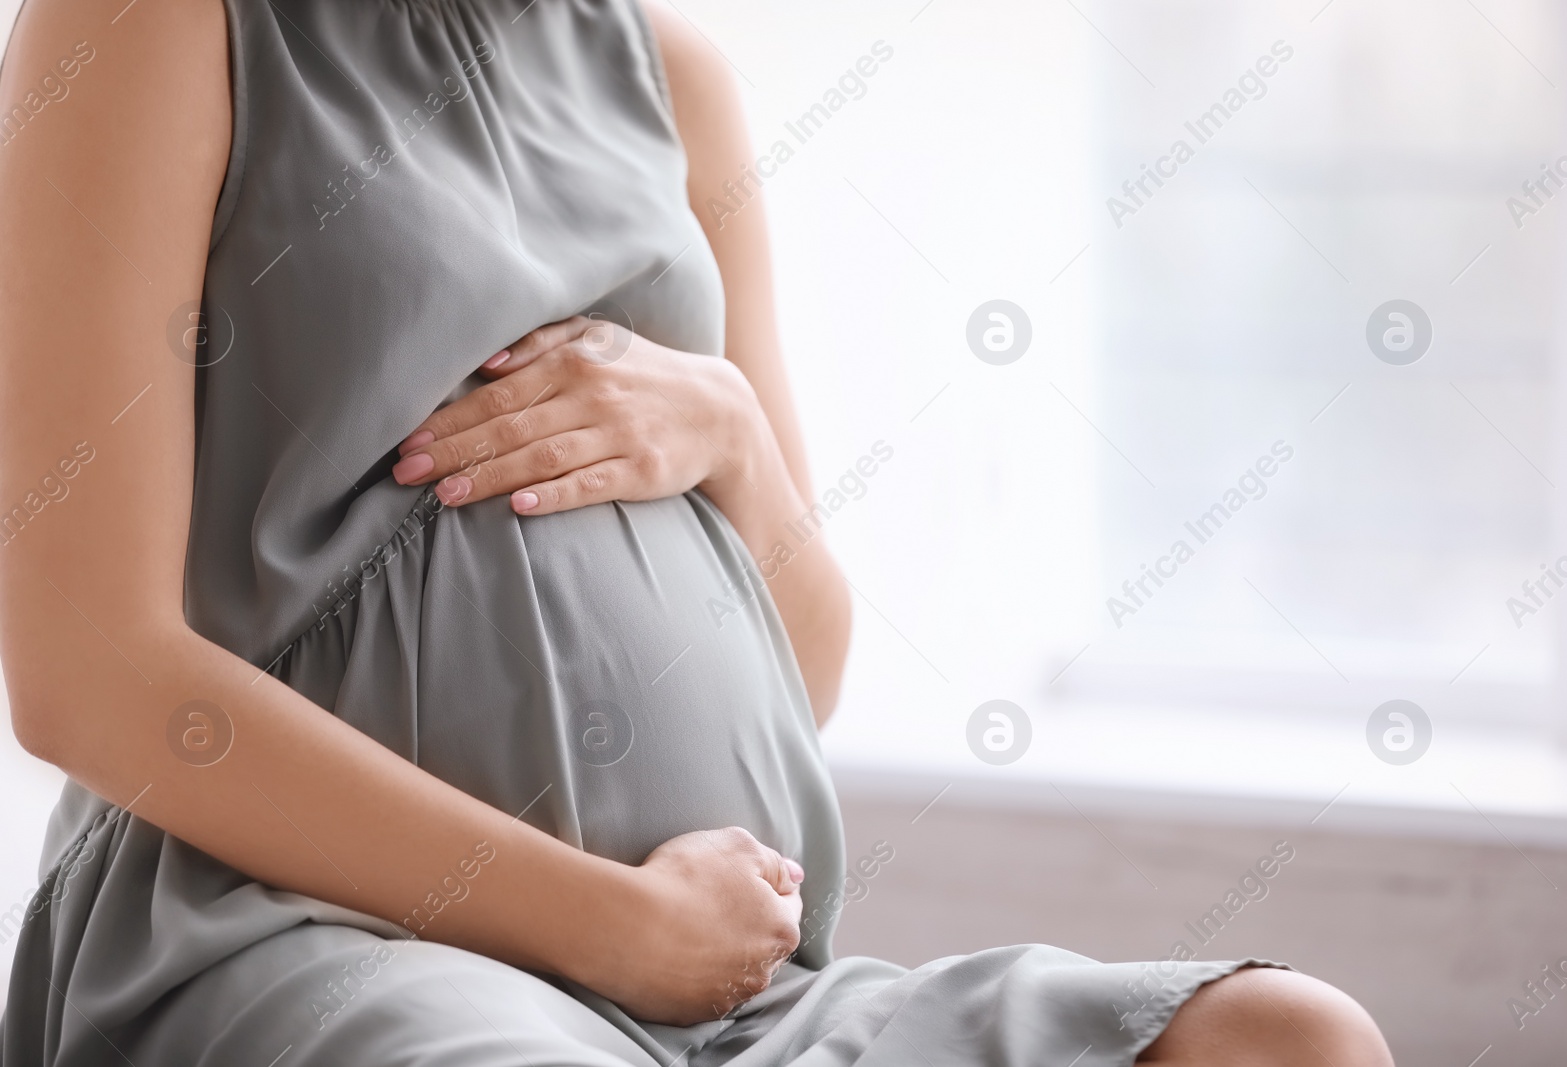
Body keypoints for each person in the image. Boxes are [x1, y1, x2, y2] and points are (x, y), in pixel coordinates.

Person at [0, 0, 1394, 1063]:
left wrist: (731, 435)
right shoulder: (158, 26)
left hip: (730, 989)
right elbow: (88, 678)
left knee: (1291, 1041)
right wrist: (611, 925)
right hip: (303, 936)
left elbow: (816, 668)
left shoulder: (675, 74)